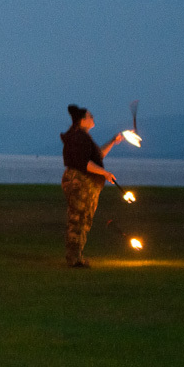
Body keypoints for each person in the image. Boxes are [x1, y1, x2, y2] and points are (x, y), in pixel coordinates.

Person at [60, 104, 123, 268]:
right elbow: (84, 163)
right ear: (82, 121)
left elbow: (97, 156)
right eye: (90, 116)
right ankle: (74, 258)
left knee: (84, 219)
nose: (93, 117)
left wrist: (112, 142)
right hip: (80, 183)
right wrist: (104, 173)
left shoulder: (83, 137)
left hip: (87, 185)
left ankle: (77, 256)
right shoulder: (78, 138)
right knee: (78, 219)